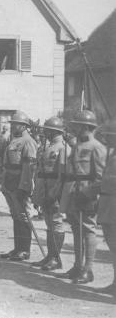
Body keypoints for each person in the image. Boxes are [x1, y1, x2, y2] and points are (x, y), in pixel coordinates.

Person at [59, 110, 106, 284]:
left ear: (86, 127)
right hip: (73, 192)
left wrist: (87, 194)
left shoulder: (97, 147)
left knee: (88, 230)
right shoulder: (78, 146)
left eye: (77, 126)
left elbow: (101, 177)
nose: (75, 129)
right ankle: (78, 266)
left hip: (87, 194)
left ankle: (88, 269)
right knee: (76, 230)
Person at [29, 117, 70, 270]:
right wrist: (38, 194)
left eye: (47, 130)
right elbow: (41, 172)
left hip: (55, 193)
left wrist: (54, 193)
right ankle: (49, 256)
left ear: (54, 131)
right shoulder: (48, 147)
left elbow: (62, 175)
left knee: (56, 223)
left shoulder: (63, 148)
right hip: (45, 191)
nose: (44, 132)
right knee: (49, 224)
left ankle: (56, 258)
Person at [0, 111, 37, 261]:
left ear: (23, 126)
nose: (13, 126)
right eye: (12, 124)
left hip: (19, 184)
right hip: (10, 183)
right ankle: (17, 248)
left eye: (15, 124)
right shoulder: (14, 140)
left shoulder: (28, 141)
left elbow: (29, 168)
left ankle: (25, 250)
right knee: (16, 216)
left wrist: (24, 187)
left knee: (23, 216)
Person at [97, 119, 116, 296]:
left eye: (109, 137)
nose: (106, 140)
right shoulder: (111, 154)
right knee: (112, 245)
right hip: (108, 205)